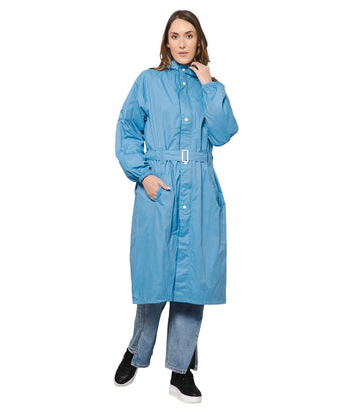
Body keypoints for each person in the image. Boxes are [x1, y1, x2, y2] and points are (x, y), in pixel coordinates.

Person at [114, 10, 239, 403]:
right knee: (155, 277)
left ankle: (181, 370)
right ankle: (137, 350)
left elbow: (223, 133)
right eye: (175, 36)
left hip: (199, 187)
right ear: (166, 42)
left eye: (189, 35)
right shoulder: (148, 81)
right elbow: (127, 129)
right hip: (161, 186)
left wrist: (209, 86)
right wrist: (144, 175)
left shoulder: (211, 86)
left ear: (199, 40)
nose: (182, 43)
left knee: (192, 282)